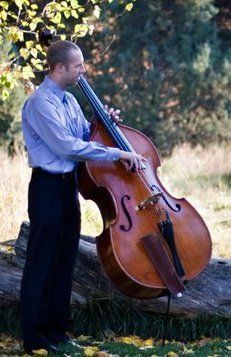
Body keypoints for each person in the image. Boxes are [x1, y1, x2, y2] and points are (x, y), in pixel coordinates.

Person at [20, 40, 146, 354]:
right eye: (78, 65)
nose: (83, 70)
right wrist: (116, 152)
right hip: (47, 187)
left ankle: (56, 331)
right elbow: (67, 147)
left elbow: (82, 138)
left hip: (67, 187)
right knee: (41, 261)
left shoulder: (70, 102)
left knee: (65, 259)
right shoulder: (40, 103)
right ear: (60, 67)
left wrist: (103, 125)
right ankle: (33, 337)